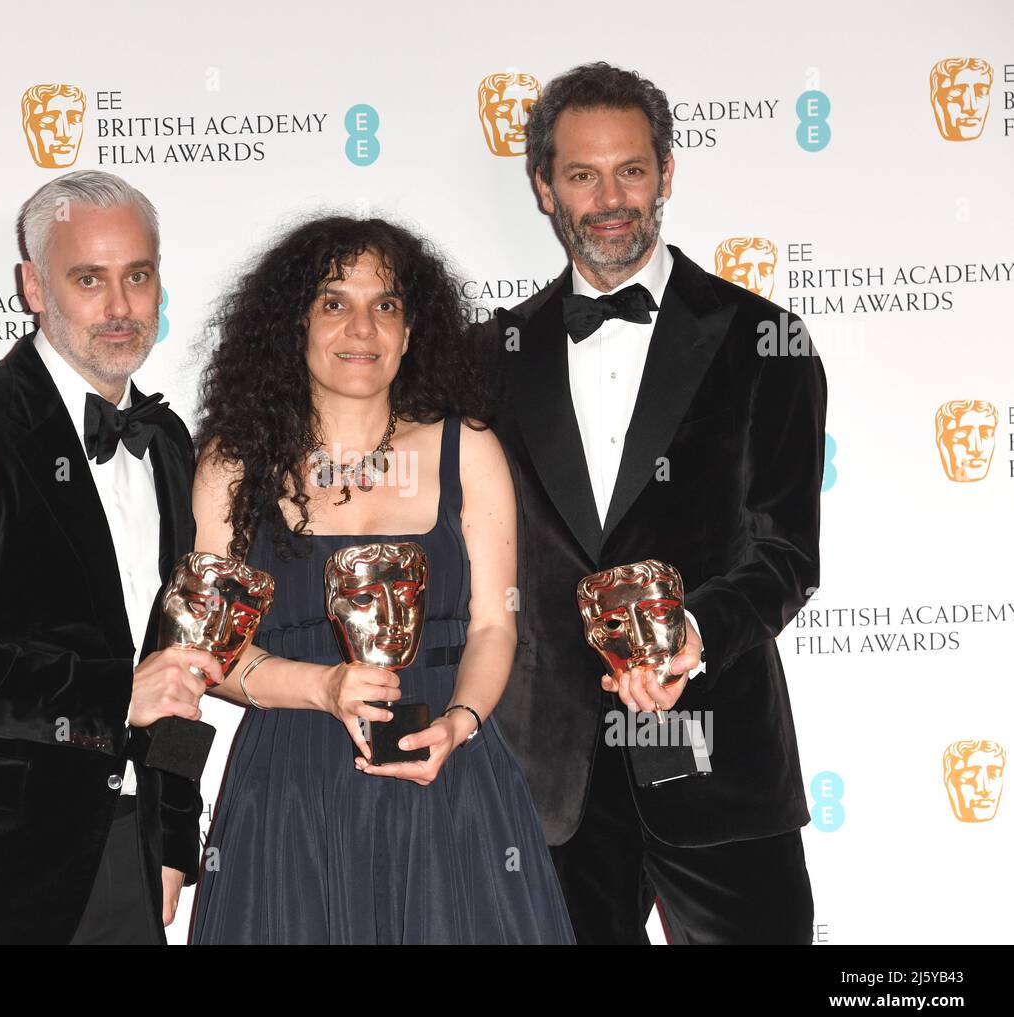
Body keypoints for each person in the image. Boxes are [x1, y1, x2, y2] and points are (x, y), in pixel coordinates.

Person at [478, 62, 826, 944]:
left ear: (666, 173)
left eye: (631, 170)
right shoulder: (487, 360)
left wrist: (687, 640)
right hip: (552, 781)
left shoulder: (765, 341)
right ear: (542, 189)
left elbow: (787, 553)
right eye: (582, 174)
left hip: (719, 756)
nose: (610, 198)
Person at [187, 216, 574, 944]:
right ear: (294, 323)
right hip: (291, 795)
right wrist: (321, 687)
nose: (361, 327)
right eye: (334, 302)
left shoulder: (468, 451)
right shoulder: (232, 466)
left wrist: (459, 725)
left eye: (386, 305)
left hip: (451, 779)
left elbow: (496, 625)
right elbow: (212, 656)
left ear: (409, 330)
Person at [0, 169, 218, 944]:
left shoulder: (166, 444)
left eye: (138, 275)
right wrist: (111, 695)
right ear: (33, 285)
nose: (121, 307)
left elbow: (178, 659)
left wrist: (171, 834)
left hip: (129, 852)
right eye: (88, 279)